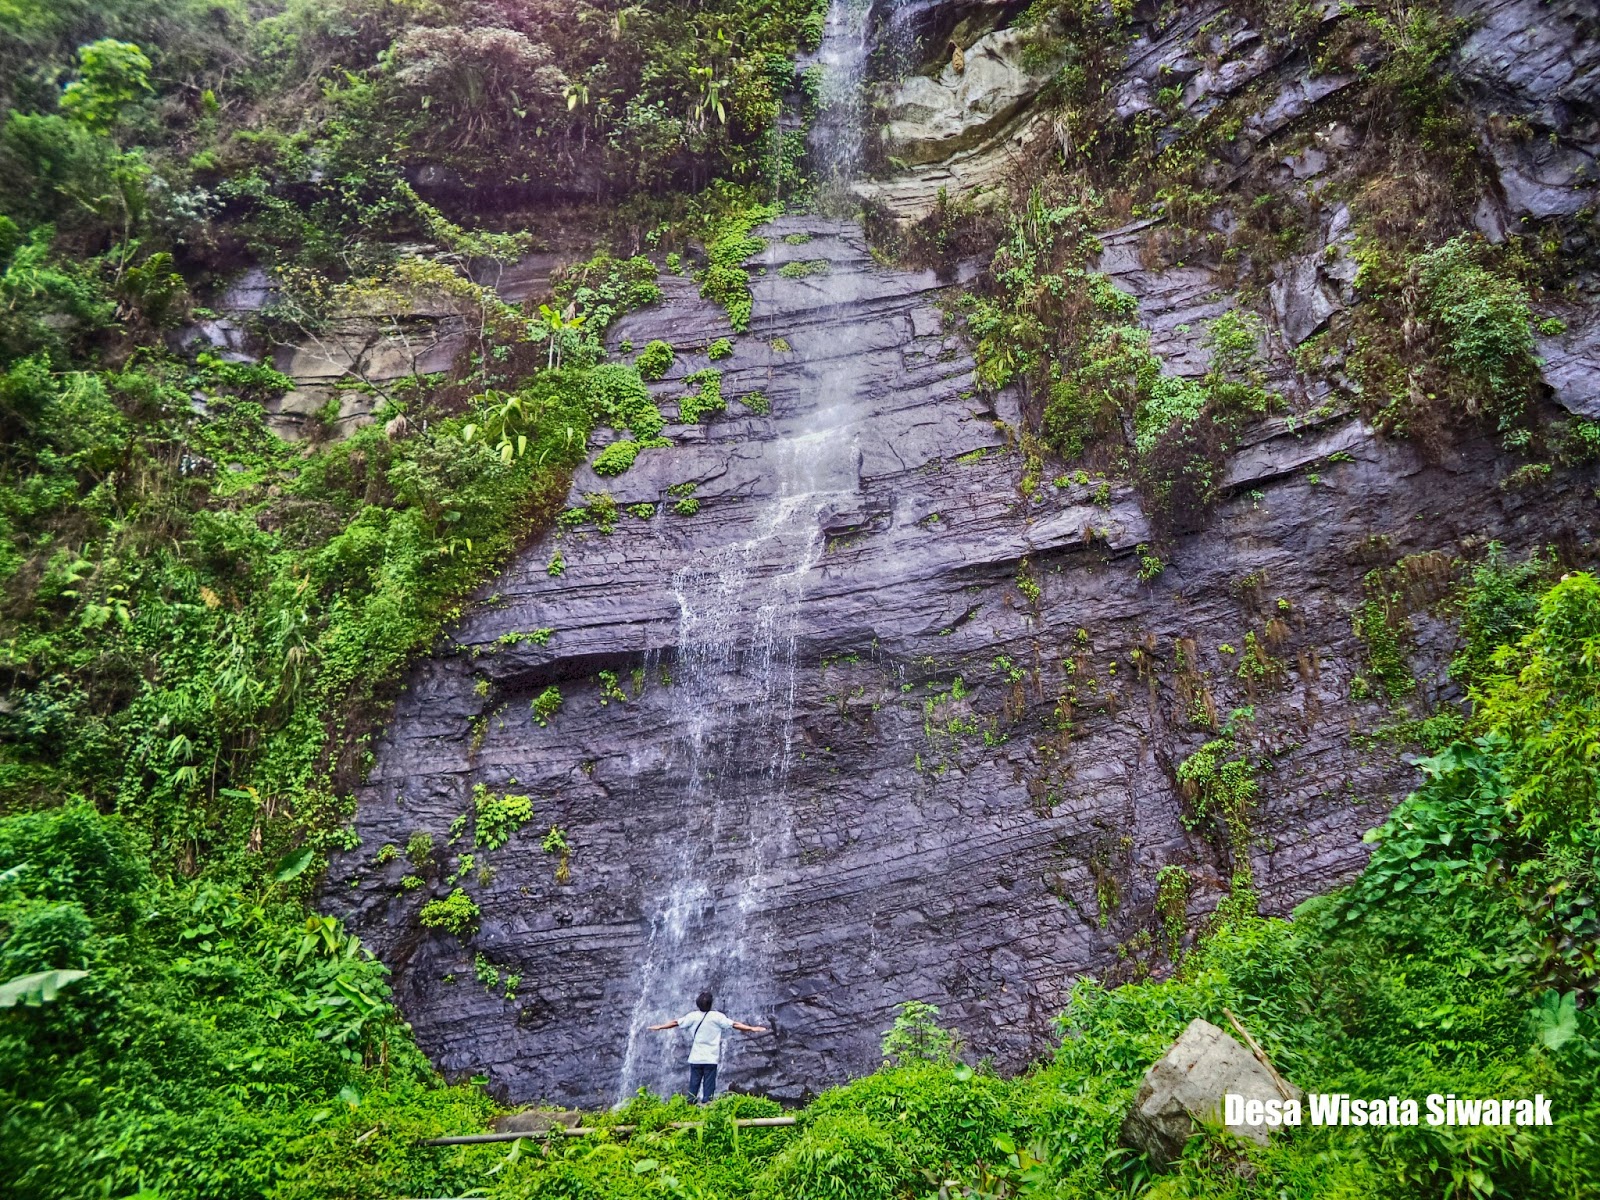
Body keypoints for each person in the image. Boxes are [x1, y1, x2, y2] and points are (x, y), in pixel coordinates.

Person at [647, 990, 769, 1104]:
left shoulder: (692, 1016)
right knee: (709, 1087)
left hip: (696, 1058)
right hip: (710, 1059)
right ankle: (707, 1108)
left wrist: (660, 1027)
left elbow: (675, 1022)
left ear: (697, 1003)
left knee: (693, 1085)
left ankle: (690, 1109)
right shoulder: (717, 1017)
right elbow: (735, 1024)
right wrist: (752, 1028)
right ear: (711, 1004)